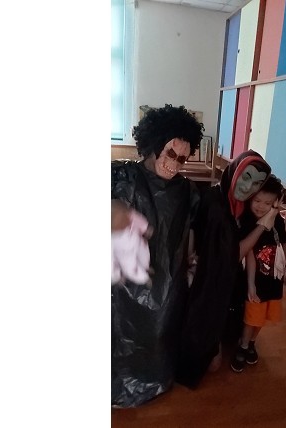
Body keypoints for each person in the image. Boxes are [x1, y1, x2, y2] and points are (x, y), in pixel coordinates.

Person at [111, 104, 203, 408]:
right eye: (171, 153)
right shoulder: (123, 176)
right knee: (124, 332)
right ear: (153, 144)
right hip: (126, 282)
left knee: (160, 331)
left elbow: (191, 228)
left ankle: (156, 379)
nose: (175, 164)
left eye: (183, 158)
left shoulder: (186, 190)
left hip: (167, 280)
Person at [176, 150, 280, 388]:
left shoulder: (236, 203)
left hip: (222, 280)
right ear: (235, 172)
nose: (248, 187)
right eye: (246, 176)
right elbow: (232, 257)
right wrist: (263, 225)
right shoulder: (218, 208)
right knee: (210, 364)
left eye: (256, 183)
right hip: (204, 284)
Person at [230, 174, 286, 373]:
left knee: (263, 318)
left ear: (275, 202)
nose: (260, 206)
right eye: (257, 200)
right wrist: (251, 285)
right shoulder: (247, 221)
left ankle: (252, 343)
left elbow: (283, 243)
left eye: (267, 203)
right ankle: (243, 345)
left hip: (273, 281)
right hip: (255, 282)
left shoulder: (277, 221)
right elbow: (248, 254)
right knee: (251, 318)